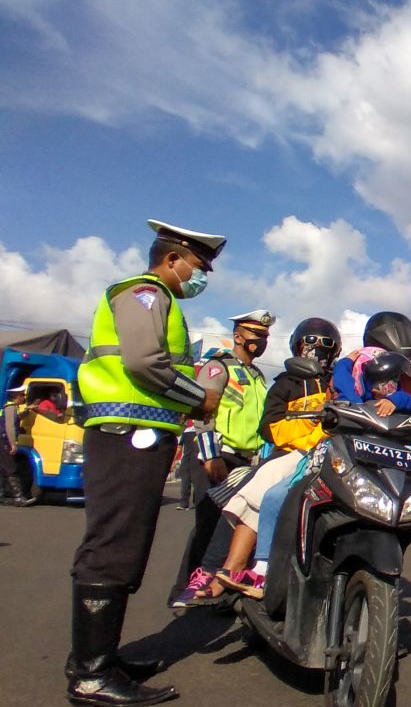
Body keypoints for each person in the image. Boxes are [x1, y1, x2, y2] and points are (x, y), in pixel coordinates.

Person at [67, 219, 224, 707]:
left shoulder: (159, 298)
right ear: (172, 258)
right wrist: (200, 398)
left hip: (137, 434)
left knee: (125, 544)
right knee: (115, 546)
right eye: (198, 266)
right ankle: (91, 675)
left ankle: (99, 659)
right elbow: (142, 363)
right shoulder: (146, 293)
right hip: (125, 434)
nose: (201, 277)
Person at [218, 350, 411, 600]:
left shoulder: (402, 410)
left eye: (392, 381)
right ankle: (262, 568)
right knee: (277, 495)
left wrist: (398, 400)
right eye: (378, 381)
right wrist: (349, 360)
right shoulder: (354, 401)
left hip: (379, 478)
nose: (385, 388)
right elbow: (342, 380)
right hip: (340, 464)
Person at [177, 317, 339, 605]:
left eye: (327, 345)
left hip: (274, 456)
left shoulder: (331, 383)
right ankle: (206, 574)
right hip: (235, 453)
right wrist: (209, 453)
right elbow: (267, 425)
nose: (318, 350)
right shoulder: (277, 380)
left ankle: (230, 577)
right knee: (219, 513)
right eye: (310, 343)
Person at [168, 309, 274, 606]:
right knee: (207, 523)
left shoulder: (257, 376)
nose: (261, 341)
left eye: (265, 336)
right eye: (256, 335)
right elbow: (204, 411)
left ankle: (219, 589)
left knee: (230, 524)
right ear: (238, 336)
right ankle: (185, 589)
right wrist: (209, 456)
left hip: (243, 458)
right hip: (215, 452)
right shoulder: (218, 367)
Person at [1, 383, 36, 507]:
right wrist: (13, 444)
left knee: (3, 468)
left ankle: (2, 496)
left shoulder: (11, 408)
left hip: (2, 440)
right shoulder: (10, 407)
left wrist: (28, 410)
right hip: (4, 441)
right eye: (22, 395)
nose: (24, 397)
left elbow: (17, 418)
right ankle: (18, 498)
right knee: (11, 468)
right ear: (16, 396)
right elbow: (10, 427)